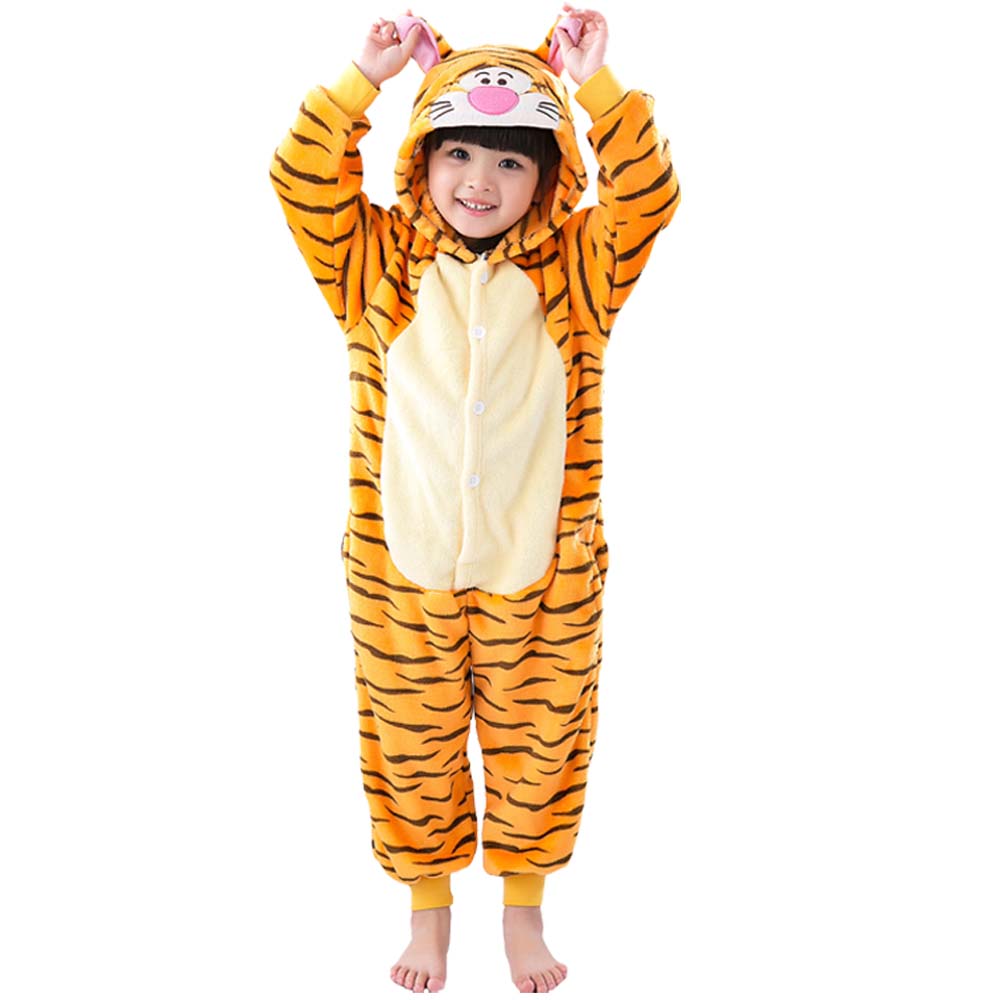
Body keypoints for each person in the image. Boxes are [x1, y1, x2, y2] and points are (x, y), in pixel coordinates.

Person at [269, 4, 680, 992]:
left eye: (509, 162)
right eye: (457, 152)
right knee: (410, 744)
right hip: (398, 570)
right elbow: (300, 177)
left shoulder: (580, 270)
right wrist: (363, 81)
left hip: (544, 575)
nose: (480, 181)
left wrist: (593, 86)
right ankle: (428, 910)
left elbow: (648, 194)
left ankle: (524, 907)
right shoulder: (374, 267)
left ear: (549, 175)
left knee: (542, 742)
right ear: (421, 158)